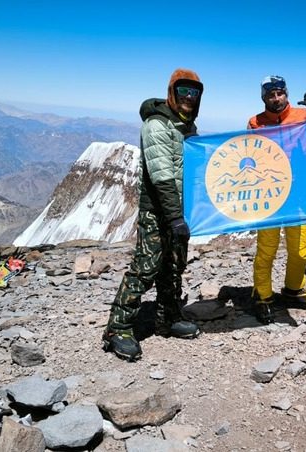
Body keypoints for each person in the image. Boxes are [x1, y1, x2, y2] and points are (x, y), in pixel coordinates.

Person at [103, 68, 204, 362]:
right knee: (146, 268)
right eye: (183, 91)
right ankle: (118, 328)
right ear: (172, 92)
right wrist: (174, 217)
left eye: (194, 92)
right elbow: (162, 177)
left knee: (173, 267)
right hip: (158, 211)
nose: (188, 97)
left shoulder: (187, 127)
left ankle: (168, 319)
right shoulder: (157, 125)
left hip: (178, 212)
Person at [247, 75, 306, 324]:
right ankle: (263, 296)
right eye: (270, 94)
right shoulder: (255, 123)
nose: (276, 98)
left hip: (299, 194)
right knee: (267, 250)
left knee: (299, 250)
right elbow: (246, 154)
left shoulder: (303, 115)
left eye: (279, 93)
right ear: (264, 97)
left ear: (286, 94)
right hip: (269, 195)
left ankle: (293, 289)